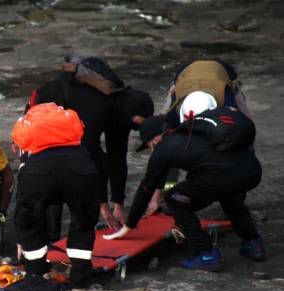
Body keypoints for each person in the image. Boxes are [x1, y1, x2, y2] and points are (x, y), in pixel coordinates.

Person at [104, 114, 265, 269]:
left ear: (155, 138)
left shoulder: (164, 149)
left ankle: (206, 253)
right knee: (228, 193)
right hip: (251, 171)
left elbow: (146, 188)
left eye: (149, 144)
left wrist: (130, 225)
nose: (151, 147)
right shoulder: (194, 131)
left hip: (219, 176)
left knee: (174, 199)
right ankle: (253, 243)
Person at [29, 55, 153, 232]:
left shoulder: (120, 110)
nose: (135, 129)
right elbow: (91, 158)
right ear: (130, 115)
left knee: (103, 162)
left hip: (78, 116)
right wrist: (104, 207)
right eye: (136, 123)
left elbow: (117, 158)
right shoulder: (95, 108)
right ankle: (50, 236)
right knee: (60, 176)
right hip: (44, 119)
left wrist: (118, 205)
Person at [12, 103, 99, 284]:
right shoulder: (70, 122)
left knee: (30, 221)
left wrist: (22, 236)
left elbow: (23, 166)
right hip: (80, 169)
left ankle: (36, 275)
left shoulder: (26, 125)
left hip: (39, 174)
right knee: (83, 221)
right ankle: (81, 277)